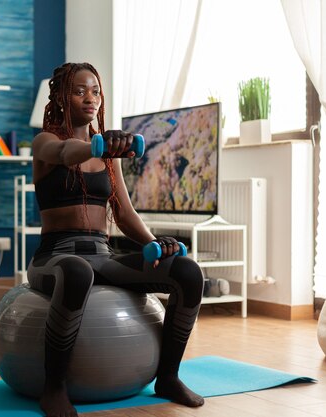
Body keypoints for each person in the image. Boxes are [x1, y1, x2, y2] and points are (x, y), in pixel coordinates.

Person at [29, 62, 205, 417]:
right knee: (78, 272)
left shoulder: (108, 155)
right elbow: (65, 154)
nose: (90, 98)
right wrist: (98, 147)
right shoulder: (45, 142)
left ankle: (168, 377)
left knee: (187, 271)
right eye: (79, 91)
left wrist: (156, 245)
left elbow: (124, 214)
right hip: (55, 258)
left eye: (95, 91)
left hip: (102, 254)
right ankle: (54, 388)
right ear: (61, 98)